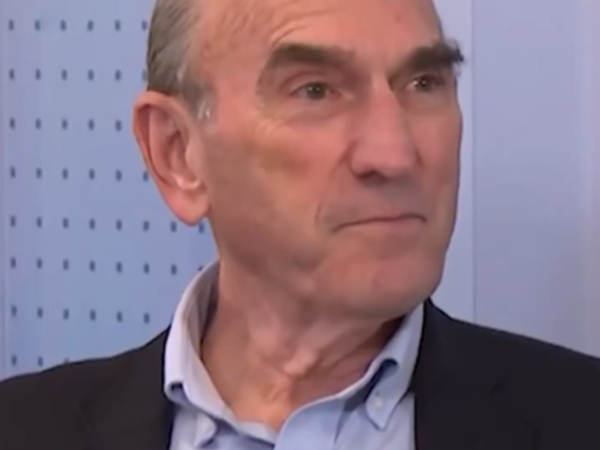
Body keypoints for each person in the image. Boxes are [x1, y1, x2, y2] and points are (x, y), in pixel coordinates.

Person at [1, 0, 600, 448]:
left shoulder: (578, 420)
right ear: (178, 154)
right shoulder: (23, 429)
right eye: (314, 91)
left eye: (424, 83)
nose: (394, 154)